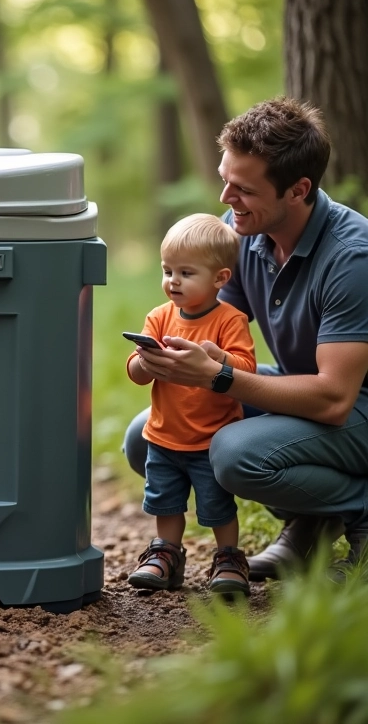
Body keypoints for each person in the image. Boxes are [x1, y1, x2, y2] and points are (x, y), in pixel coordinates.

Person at [123, 97, 368, 581]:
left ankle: (358, 513)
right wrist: (166, 358)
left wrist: (219, 376)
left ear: (298, 190)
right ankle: (310, 526)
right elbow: (209, 321)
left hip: (354, 404)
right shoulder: (251, 238)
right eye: (224, 179)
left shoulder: (352, 258)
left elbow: (336, 399)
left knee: (235, 453)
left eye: (243, 188)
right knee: (146, 436)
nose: (225, 198)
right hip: (309, 394)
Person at [126, 214, 256, 595]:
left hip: (211, 438)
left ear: (220, 278)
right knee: (165, 502)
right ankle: (166, 553)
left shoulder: (229, 320)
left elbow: (246, 370)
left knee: (218, 507)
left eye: (186, 272)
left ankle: (229, 557)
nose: (173, 281)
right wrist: (144, 361)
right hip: (164, 436)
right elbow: (136, 373)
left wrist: (217, 360)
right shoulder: (159, 317)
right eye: (167, 271)